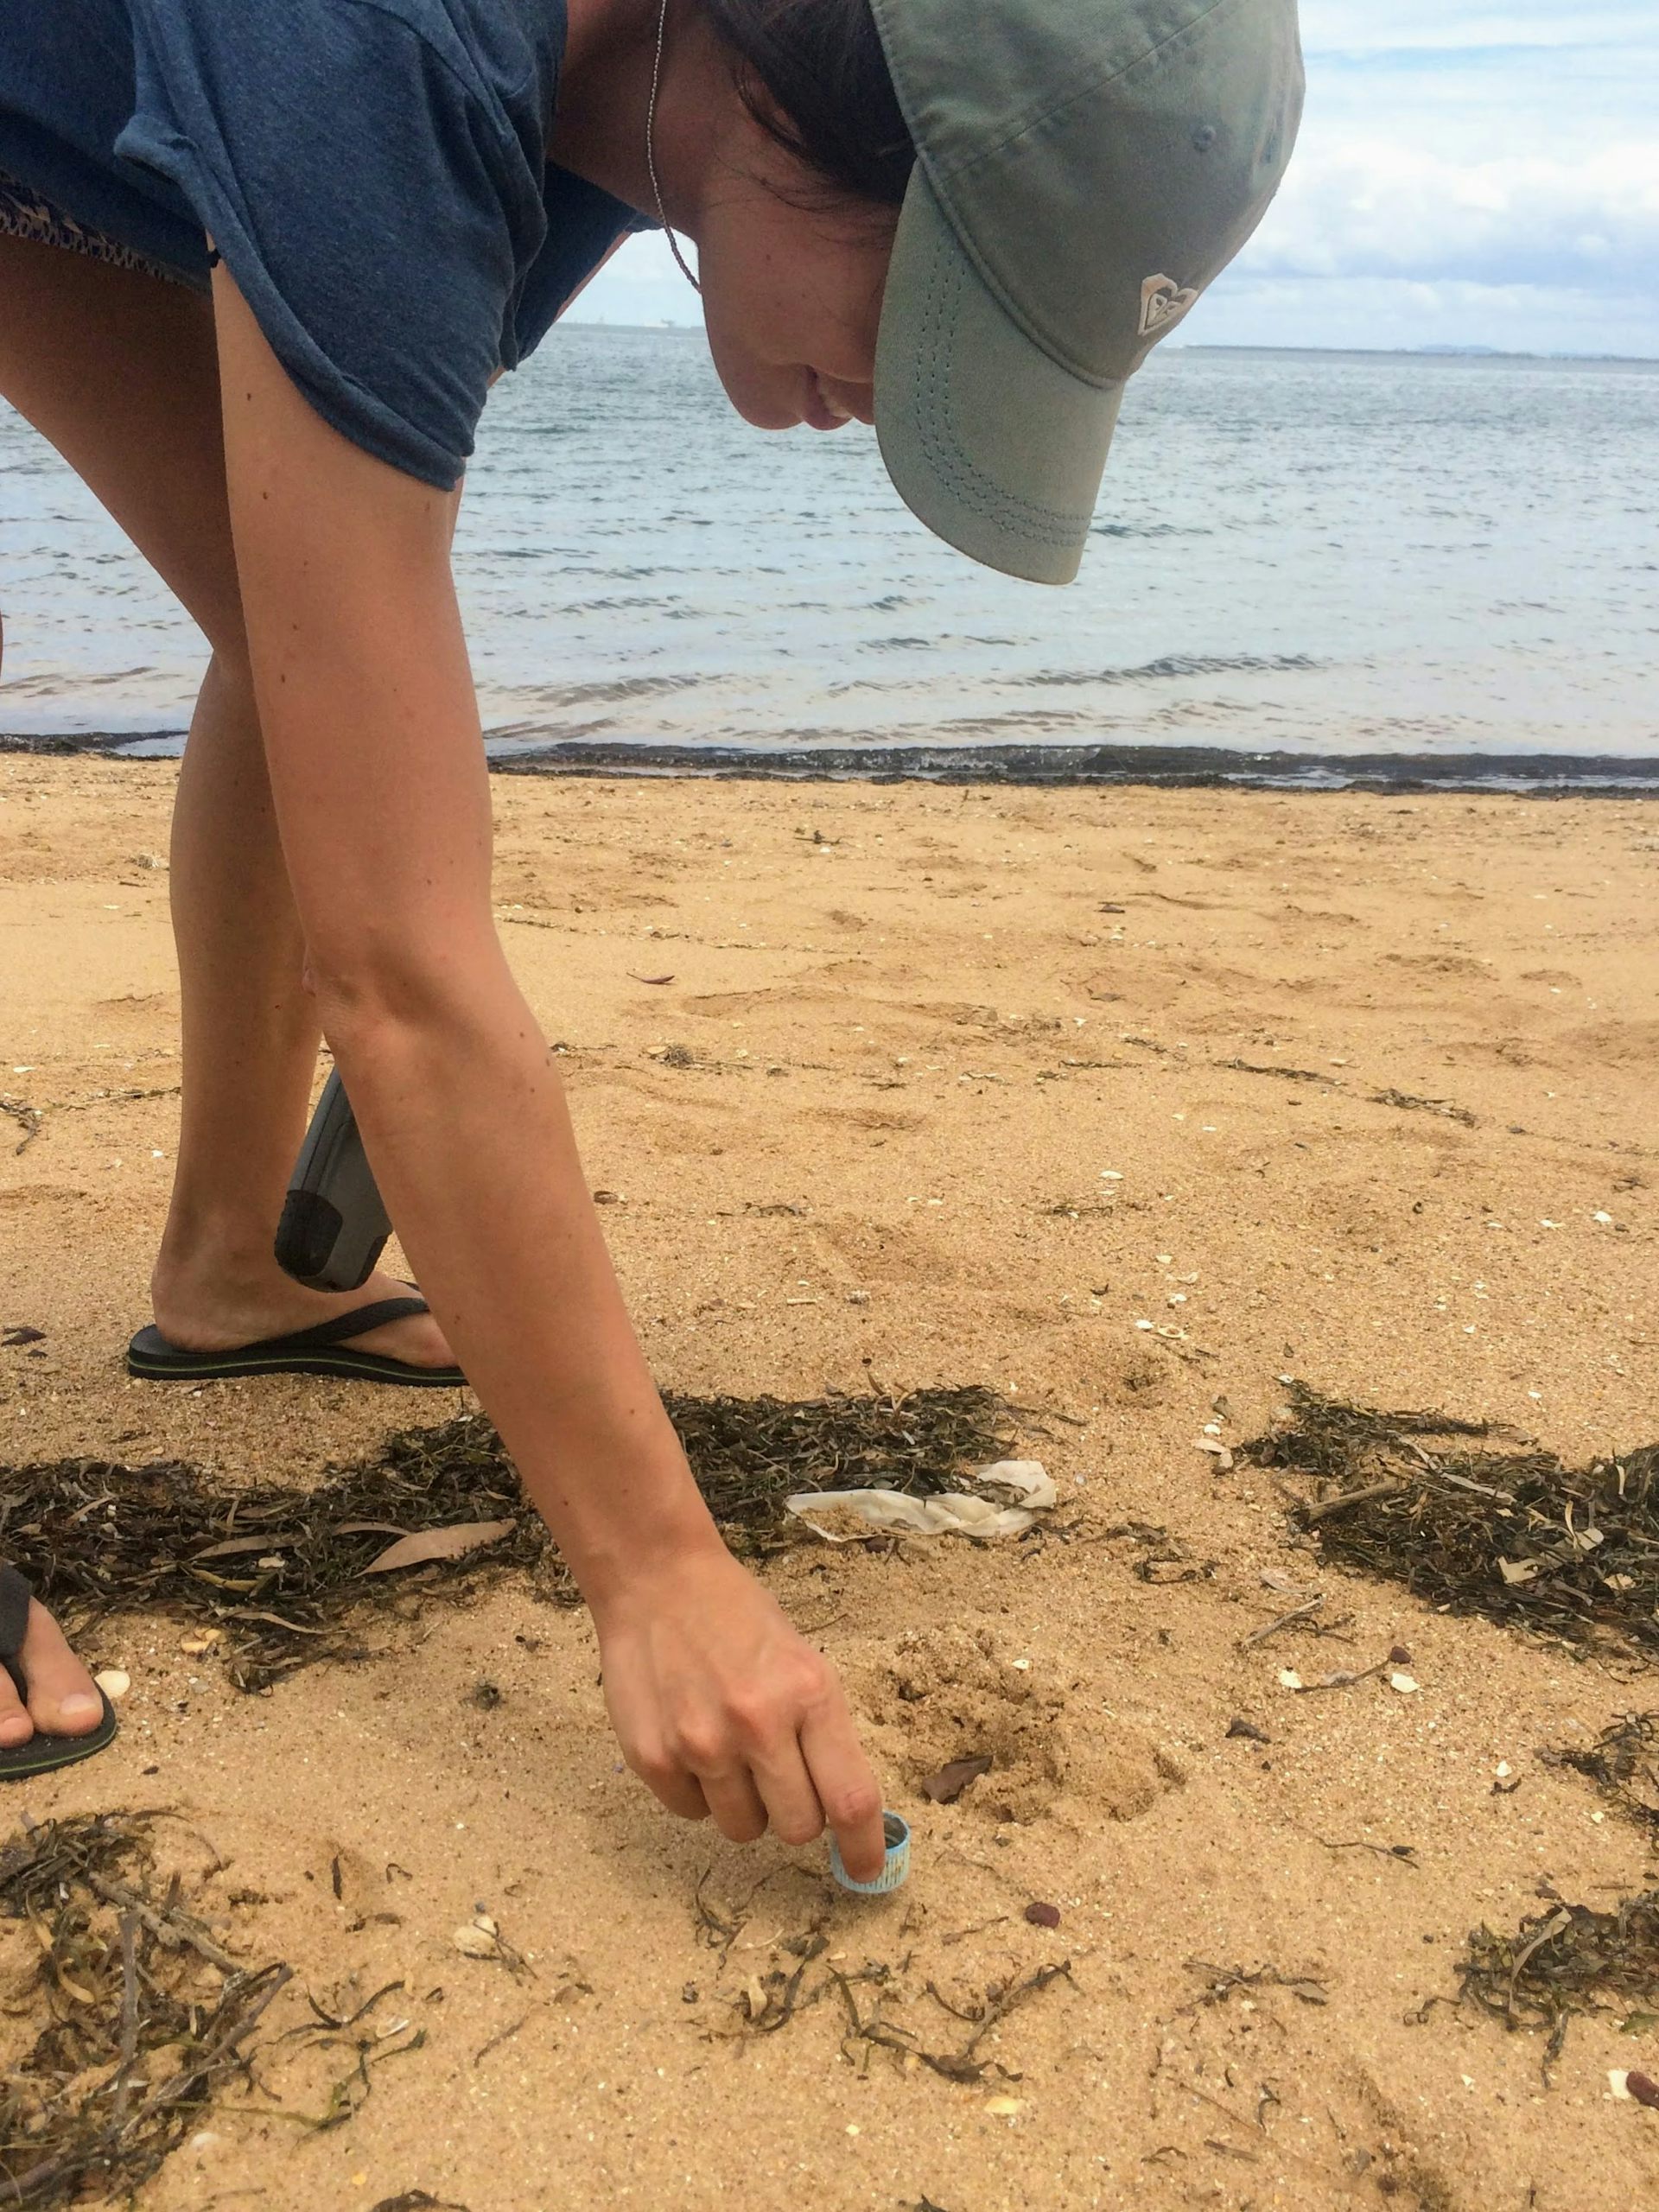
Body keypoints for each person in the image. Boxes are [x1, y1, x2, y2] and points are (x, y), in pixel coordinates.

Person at [0, 0, 1301, 1860]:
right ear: (786, 97)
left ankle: (232, 1263)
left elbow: (342, 622)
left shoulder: (615, 97)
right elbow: (403, 975)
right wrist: (661, 1572)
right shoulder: (393, 49)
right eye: (933, 315)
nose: (898, 401)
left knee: (307, 640)